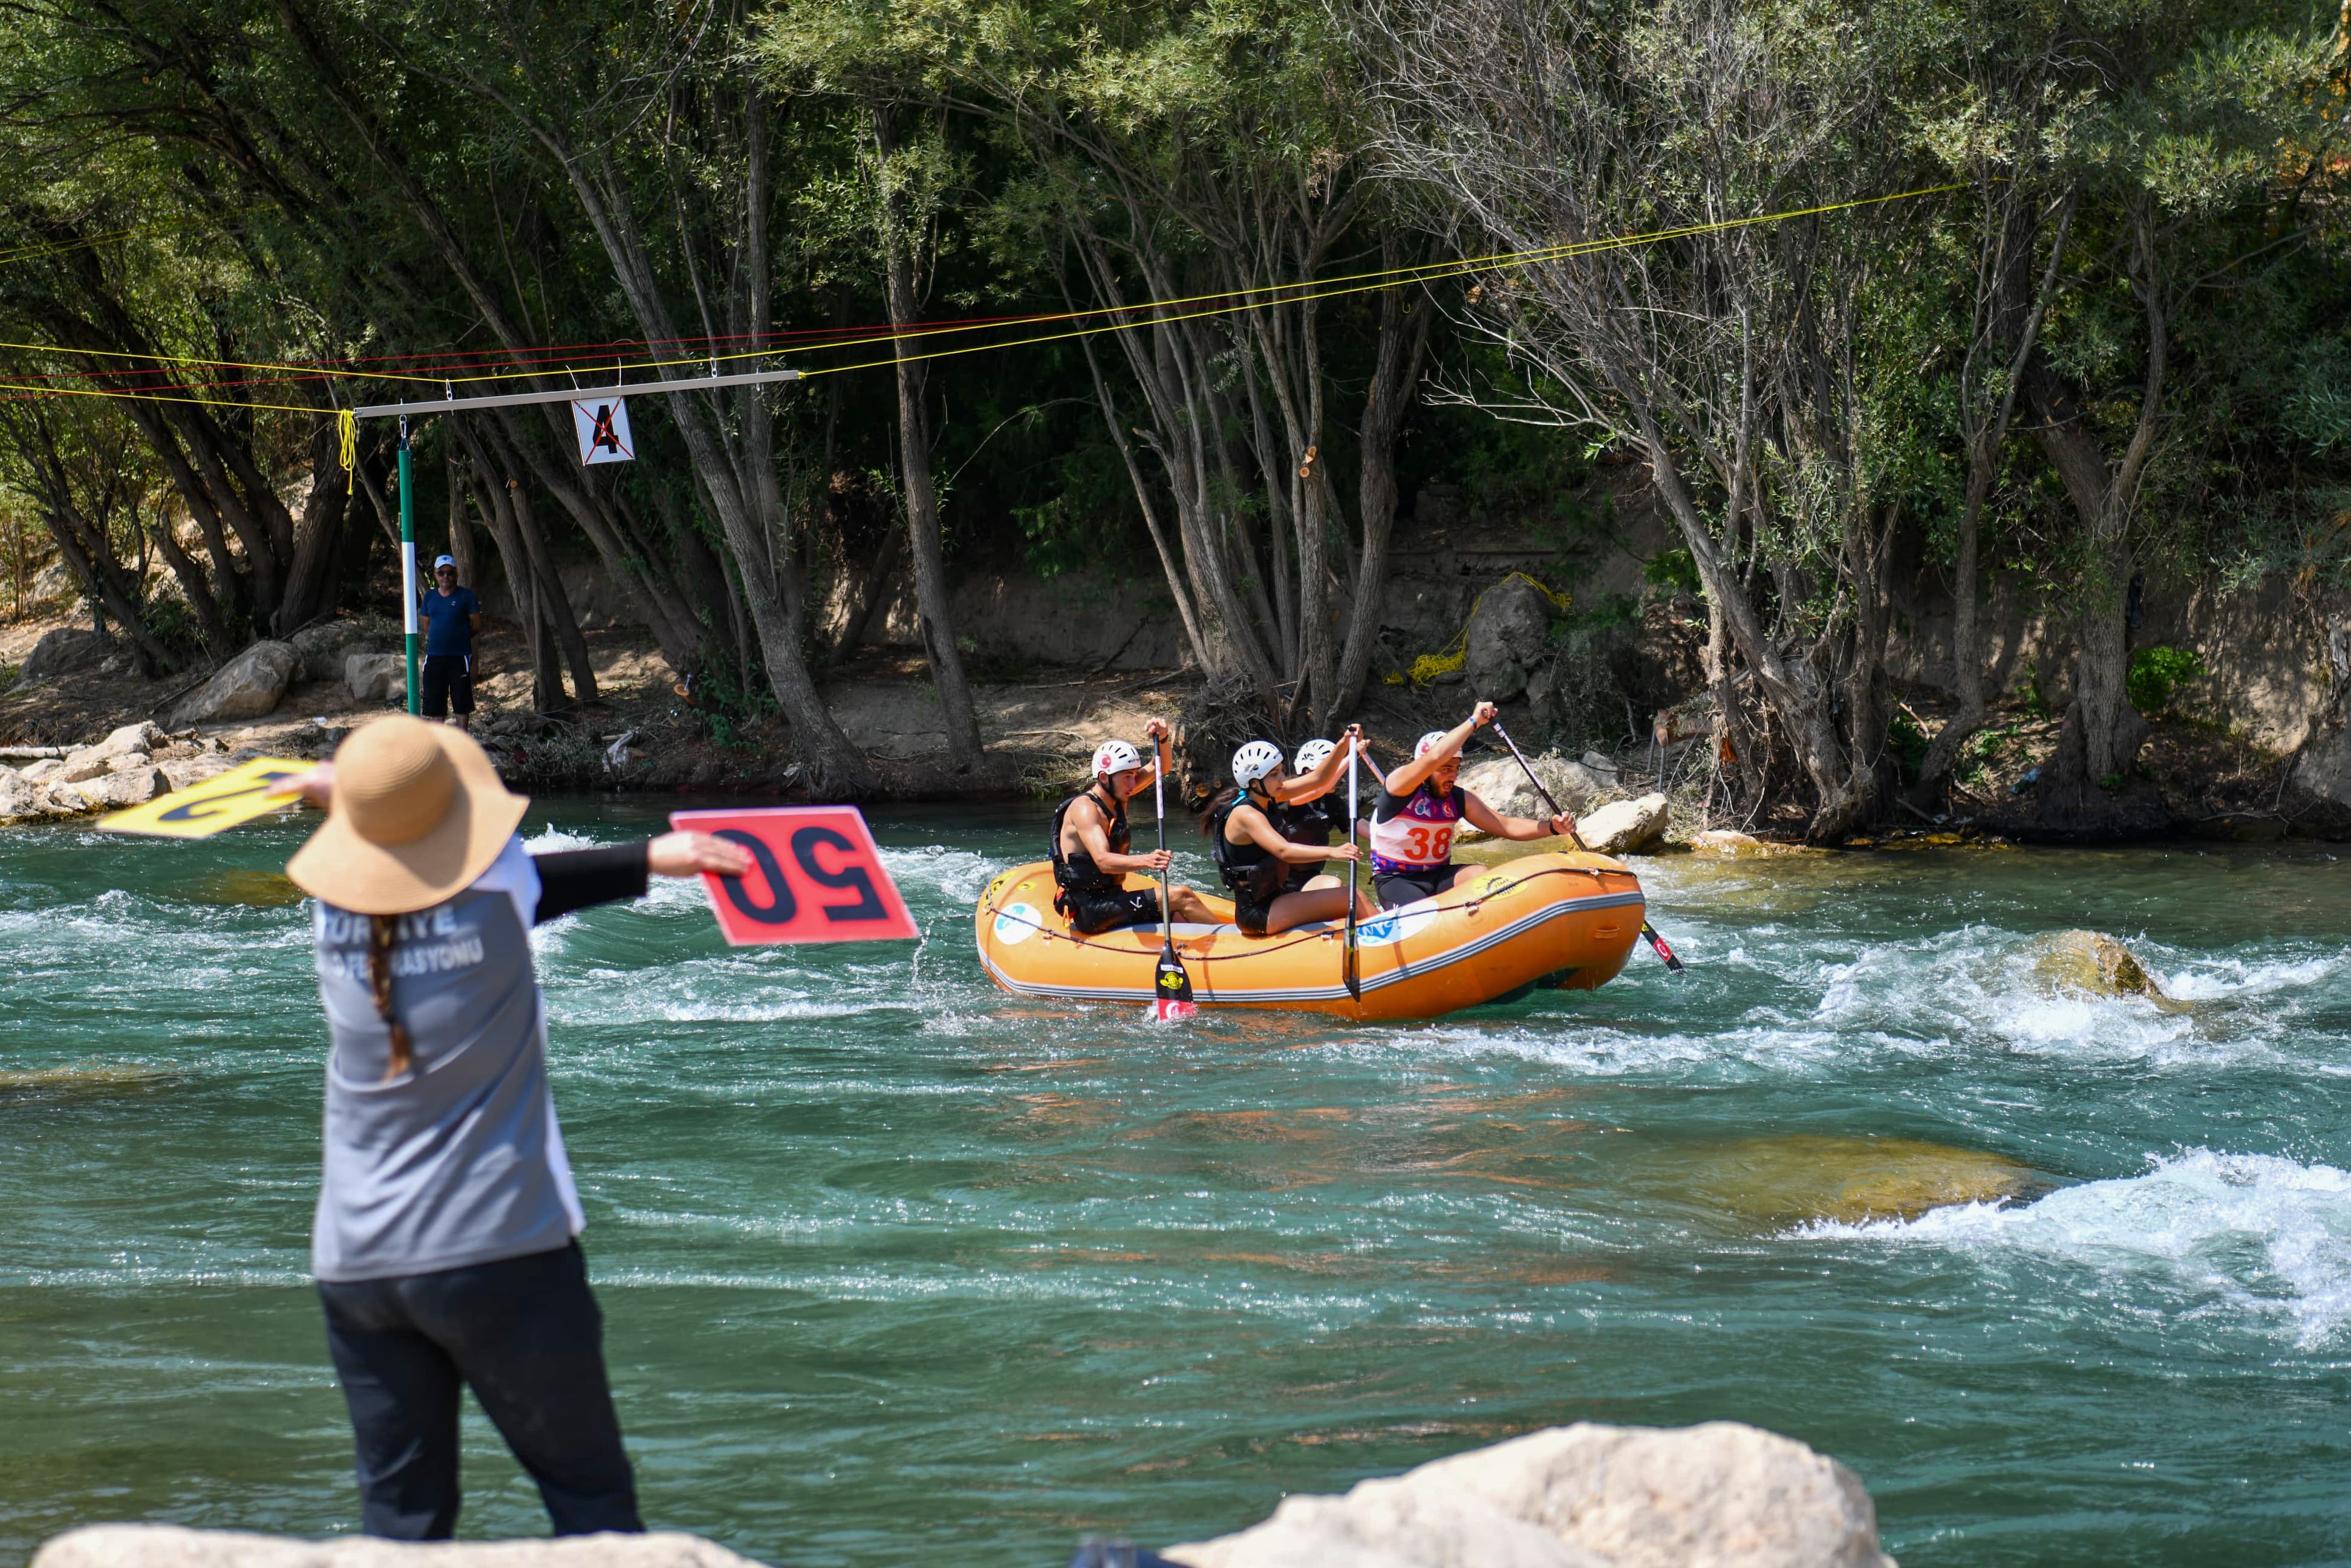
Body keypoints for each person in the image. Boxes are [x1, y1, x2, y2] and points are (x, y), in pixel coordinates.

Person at [270, 716, 751, 1540]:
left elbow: (413, 850)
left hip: (357, 1265)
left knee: (401, 1525)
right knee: (592, 1506)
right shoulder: (495, 896)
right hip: (499, 1251)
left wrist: (350, 796)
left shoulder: (333, 914)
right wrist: (654, 857)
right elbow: (528, 873)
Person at [1369, 701, 1576, 909]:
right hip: (1397, 880)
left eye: (1456, 768)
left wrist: (1552, 828)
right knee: (1424, 911)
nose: (1452, 776)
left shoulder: (1459, 799)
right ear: (1424, 770)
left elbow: (1506, 826)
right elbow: (1434, 757)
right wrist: (1474, 721)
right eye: (1445, 769)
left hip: (1439, 876)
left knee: (1481, 875)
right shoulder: (1399, 788)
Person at [1051, 717, 1214, 934]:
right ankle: (1236, 945)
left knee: (1178, 916)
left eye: (1135, 776)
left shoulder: (1118, 795)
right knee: (1182, 896)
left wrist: (1163, 738)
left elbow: (1160, 768)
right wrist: (1147, 861)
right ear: (1104, 778)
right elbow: (1103, 861)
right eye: (1127, 777)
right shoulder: (1085, 809)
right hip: (1092, 909)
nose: (1133, 783)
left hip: (1113, 898)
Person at [1201, 740, 1376, 937]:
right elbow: (1284, 850)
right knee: (1353, 897)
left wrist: (1345, 742)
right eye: (1275, 774)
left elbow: (1318, 780)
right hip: (1258, 913)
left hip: (1278, 897)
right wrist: (1333, 852)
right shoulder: (1246, 814)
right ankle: (1390, 940)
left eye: (1282, 771)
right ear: (1254, 782)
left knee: (1341, 890)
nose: (1283, 778)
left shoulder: (1270, 798)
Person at [1271, 733, 1387, 893]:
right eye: (1330, 771)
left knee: (1335, 884)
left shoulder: (1332, 802)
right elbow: (1318, 788)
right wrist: (1353, 755)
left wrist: (1401, 836)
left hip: (1309, 879)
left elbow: (1369, 831)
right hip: (1279, 880)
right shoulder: (1284, 794)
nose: (1337, 778)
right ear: (1308, 772)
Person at [417, 556, 483, 731]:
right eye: (441, 573)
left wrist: (460, 636)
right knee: (435, 703)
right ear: (435, 575)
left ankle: (462, 739)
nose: (446, 576)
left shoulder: (466, 596)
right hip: (435, 656)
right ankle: (439, 741)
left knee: (461, 701)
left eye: (450, 572)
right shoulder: (430, 597)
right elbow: (427, 624)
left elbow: (476, 625)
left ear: (456, 573)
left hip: (459, 657)